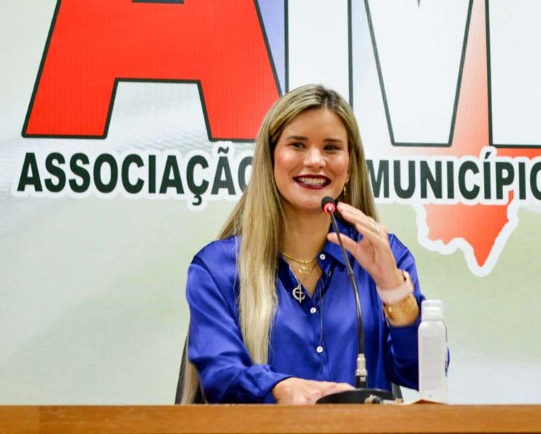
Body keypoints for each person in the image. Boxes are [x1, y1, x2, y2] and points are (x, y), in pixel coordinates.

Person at [182, 84, 428, 404]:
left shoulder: (384, 254)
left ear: (349, 167)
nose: (315, 161)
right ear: (270, 160)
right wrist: (280, 388)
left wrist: (393, 289)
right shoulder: (217, 268)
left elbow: (424, 373)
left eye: (331, 148)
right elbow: (219, 375)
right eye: (298, 145)